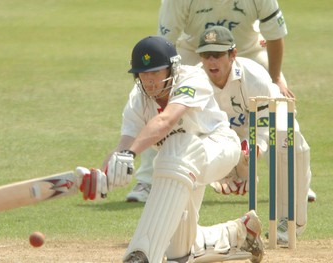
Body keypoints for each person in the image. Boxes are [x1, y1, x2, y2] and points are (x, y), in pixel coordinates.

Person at [78, 36, 264, 262]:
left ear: (171, 68)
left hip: (219, 148)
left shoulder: (192, 78)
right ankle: (241, 234)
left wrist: (129, 155)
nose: (150, 81)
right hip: (179, 169)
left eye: (155, 72)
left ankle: (142, 254)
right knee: (178, 251)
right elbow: (124, 144)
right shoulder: (138, 100)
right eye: (143, 74)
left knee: (177, 146)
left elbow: (166, 121)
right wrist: (104, 174)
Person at [126, 0, 317, 203]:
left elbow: (274, 33)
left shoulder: (255, 73)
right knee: (164, 111)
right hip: (193, 52)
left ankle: (295, 184)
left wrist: (276, 77)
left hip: (249, 50)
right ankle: (148, 181)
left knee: (282, 117)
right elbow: (163, 44)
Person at [196, 26, 311, 244]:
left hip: (268, 116)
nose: (212, 62)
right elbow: (195, 131)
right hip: (223, 131)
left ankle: (290, 220)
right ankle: (183, 226)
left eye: (218, 55)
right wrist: (222, 167)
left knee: (291, 142)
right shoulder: (194, 81)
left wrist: (247, 159)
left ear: (233, 54)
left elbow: (263, 128)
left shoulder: (253, 76)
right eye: (206, 55)